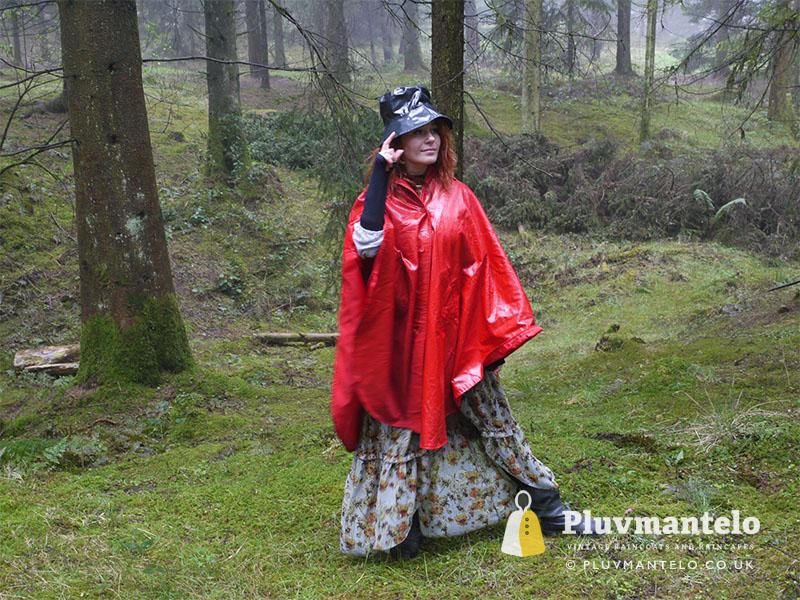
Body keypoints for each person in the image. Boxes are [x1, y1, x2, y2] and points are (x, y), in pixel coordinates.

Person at [331, 86, 595, 560]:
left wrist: (487, 339)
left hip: (458, 340)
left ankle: (550, 510)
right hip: (400, 349)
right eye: (417, 131)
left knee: (494, 419)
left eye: (435, 130)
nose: (430, 138)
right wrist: (380, 175)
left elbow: (486, 266)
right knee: (398, 430)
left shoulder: (459, 197)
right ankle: (401, 532)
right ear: (396, 141)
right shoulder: (377, 201)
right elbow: (364, 249)